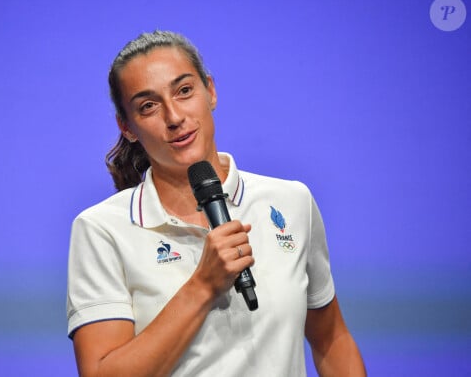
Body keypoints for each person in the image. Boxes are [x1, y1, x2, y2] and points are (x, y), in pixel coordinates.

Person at [66, 30, 366, 376]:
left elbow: (332, 340)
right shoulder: (102, 229)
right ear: (127, 127)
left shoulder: (290, 201)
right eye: (148, 106)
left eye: (184, 91)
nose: (174, 117)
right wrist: (202, 286)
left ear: (210, 91)